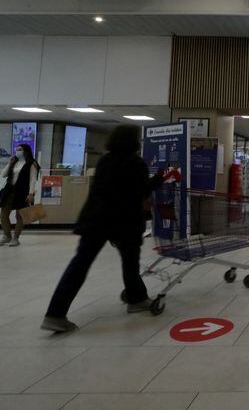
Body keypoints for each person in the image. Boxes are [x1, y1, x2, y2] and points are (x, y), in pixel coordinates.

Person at [41, 125, 164, 333]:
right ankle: (136, 299)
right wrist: (159, 179)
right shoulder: (135, 163)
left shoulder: (105, 161)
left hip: (96, 219)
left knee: (80, 264)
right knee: (130, 261)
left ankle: (55, 313)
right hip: (124, 221)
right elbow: (140, 190)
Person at [0, 143, 39, 247]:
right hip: (9, 191)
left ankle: (15, 238)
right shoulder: (14, 162)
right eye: (17, 149)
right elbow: (3, 174)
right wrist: (9, 163)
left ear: (26, 150)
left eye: (20, 149)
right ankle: (7, 235)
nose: (18, 151)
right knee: (3, 214)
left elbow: (33, 179)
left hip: (23, 192)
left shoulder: (32, 163)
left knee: (20, 216)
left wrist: (31, 193)